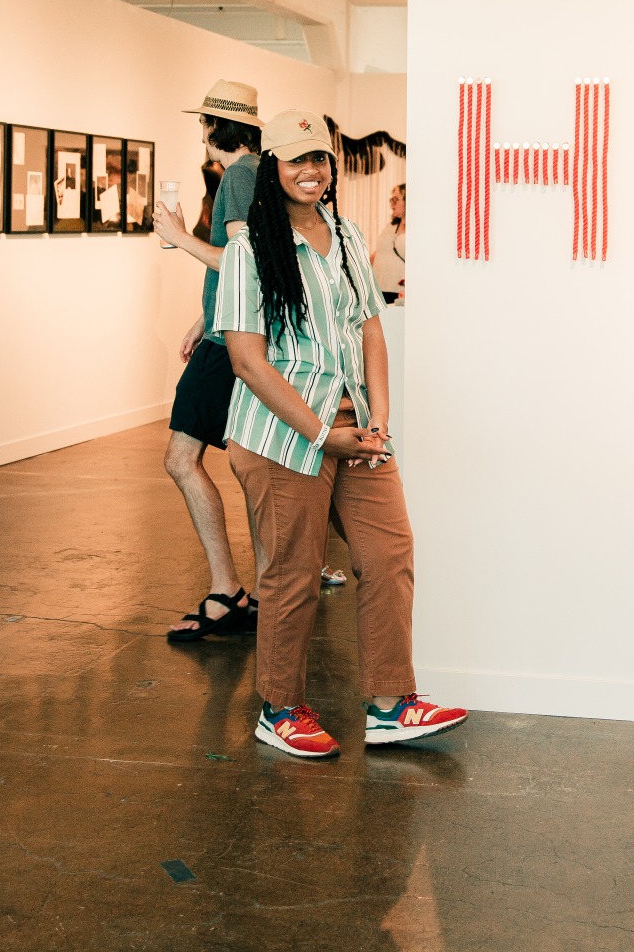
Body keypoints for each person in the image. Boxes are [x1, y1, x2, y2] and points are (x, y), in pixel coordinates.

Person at [216, 109, 466, 759]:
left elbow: (369, 329)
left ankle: (390, 704)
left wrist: (378, 417)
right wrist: (321, 433)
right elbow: (247, 359)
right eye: (296, 159)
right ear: (271, 167)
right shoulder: (250, 249)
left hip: (353, 422)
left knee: (389, 554)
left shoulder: (350, 236)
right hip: (281, 431)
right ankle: (280, 708)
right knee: (293, 573)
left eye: (320, 159)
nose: (311, 171)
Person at [151, 80, 266, 642]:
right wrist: (204, 316)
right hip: (223, 332)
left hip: (231, 345)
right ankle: (262, 586)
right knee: (247, 463)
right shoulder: (252, 172)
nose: (200, 133)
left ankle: (228, 590)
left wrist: (177, 235)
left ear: (215, 127)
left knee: (180, 459)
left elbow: (243, 260)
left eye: (203, 122)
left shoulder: (241, 175)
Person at [371, 182, 407, 305]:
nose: (392, 204)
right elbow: (379, 252)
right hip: (379, 286)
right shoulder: (391, 226)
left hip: (399, 290)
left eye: (396, 199)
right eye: (391, 199)